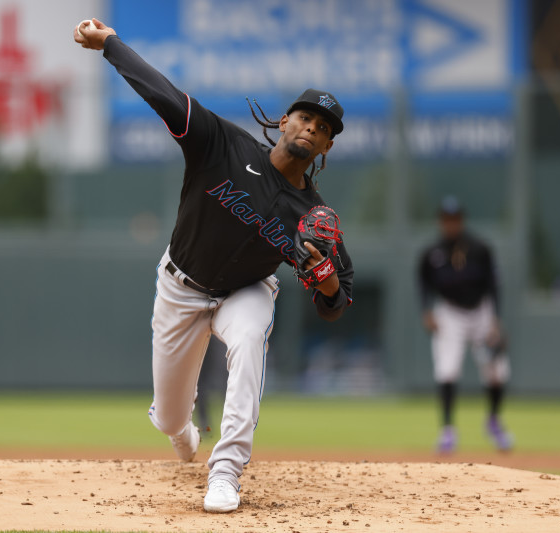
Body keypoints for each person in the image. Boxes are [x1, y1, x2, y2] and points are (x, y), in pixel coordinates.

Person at [74, 19, 353, 513]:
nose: (313, 127)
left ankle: (225, 472)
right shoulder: (223, 144)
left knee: (249, 337)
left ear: (327, 147)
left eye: (324, 128)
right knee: (168, 419)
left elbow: (336, 300)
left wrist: (329, 284)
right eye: (306, 118)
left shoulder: (313, 220)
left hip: (245, 291)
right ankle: (179, 429)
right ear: (285, 120)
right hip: (180, 287)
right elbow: (164, 94)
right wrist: (110, 44)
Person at [418, 196, 512, 454]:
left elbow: (494, 285)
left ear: (461, 220)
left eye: (455, 219)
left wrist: (495, 319)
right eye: (446, 219)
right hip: (449, 313)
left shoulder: (480, 248)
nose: (450, 224)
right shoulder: (432, 253)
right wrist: (426, 310)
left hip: (481, 311)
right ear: (441, 221)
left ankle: (493, 421)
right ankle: (447, 430)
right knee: (447, 370)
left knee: (497, 372)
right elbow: (423, 283)